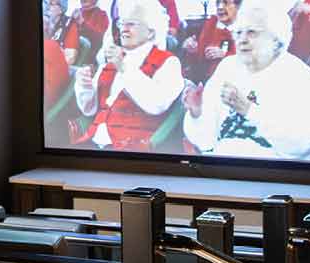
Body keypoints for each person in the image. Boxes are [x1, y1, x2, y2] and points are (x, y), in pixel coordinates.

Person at [182, 4, 310, 160]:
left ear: (276, 39)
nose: (242, 40)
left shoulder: (299, 76)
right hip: (220, 166)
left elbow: (305, 144)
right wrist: (197, 113)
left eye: (252, 32)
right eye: (238, 33)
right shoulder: (227, 67)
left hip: (270, 173)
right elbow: (205, 142)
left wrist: (249, 110)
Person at [71, 0, 186, 152]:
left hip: (131, 150)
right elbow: (89, 110)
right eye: (121, 23)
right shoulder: (111, 61)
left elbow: (157, 104)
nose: (123, 29)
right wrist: (84, 85)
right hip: (92, 142)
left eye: (131, 24)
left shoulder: (169, 62)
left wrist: (124, 67)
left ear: (151, 31)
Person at [180, 0, 241, 82]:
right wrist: (192, 50)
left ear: (238, 6)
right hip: (208, 81)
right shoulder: (212, 23)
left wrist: (225, 55)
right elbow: (198, 61)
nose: (220, 7)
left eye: (225, 3)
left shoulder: (246, 28)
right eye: (218, 2)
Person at [63, 0, 111, 66]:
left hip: (87, 58)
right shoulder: (76, 12)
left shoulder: (101, 14)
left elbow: (100, 39)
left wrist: (82, 23)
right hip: (69, 52)